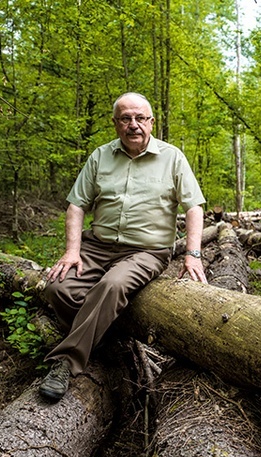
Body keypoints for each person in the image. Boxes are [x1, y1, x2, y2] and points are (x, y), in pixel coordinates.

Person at [39, 92, 207, 401]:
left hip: (146, 251)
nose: (133, 125)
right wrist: (72, 251)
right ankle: (106, 335)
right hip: (97, 246)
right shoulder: (100, 156)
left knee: (112, 285)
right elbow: (76, 206)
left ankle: (66, 361)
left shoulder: (172, 158)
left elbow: (194, 207)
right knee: (56, 288)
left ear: (151, 122)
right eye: (126, 119)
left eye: (140, 118)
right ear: (115, 123)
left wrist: (192, 254)